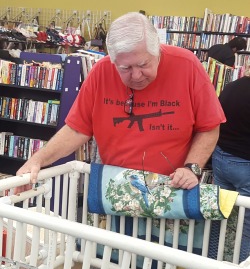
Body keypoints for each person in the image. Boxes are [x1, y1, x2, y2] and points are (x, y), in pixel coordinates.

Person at [16, 12, 225, 192]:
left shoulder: (187, 65)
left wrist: (192, 168)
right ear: (113, 59)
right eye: (125, 68)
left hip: (173, 190)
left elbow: (209, 126)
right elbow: (77, 129)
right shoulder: (101, 71)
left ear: (157, 51)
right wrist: (38, 160)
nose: (136, 75)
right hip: (115, 188)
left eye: (143, 64)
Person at [212, 62, 250, 262]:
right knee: (246, 226)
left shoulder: (232, 87)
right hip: (245, 165)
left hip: (221, 158)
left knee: (219, 215)